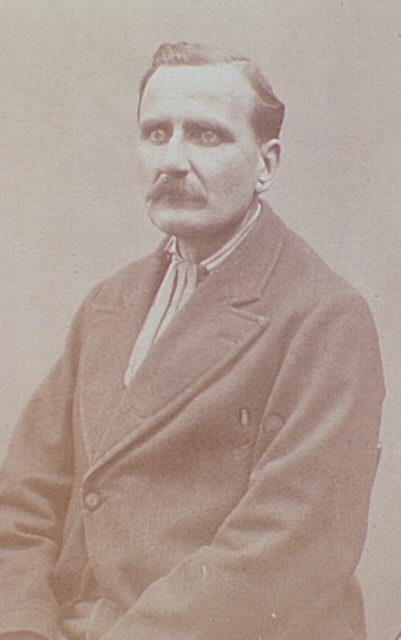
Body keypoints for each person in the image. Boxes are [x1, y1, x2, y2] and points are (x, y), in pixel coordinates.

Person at [0, 42, 384, 640]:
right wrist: (24, 628)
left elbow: (288, 551)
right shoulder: (108, 305)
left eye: (207, 135)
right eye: (156, 133)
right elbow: (24, 504)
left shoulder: (325, 317)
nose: (172, 160)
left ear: (266, 164)